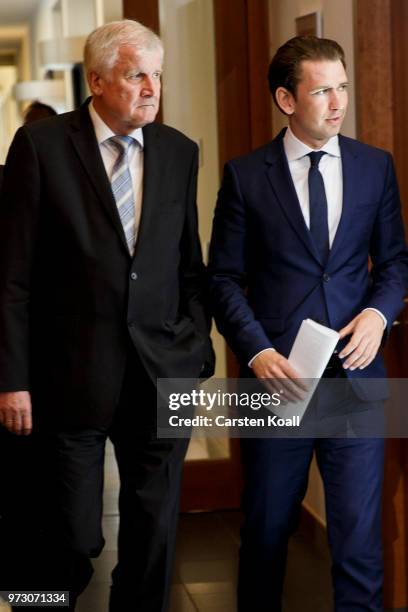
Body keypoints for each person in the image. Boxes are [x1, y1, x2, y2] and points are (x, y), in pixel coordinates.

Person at [0, 19, 214, 612]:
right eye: (135, 75)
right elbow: (11, 277)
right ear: (96, 81)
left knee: (154, 534)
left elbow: (187, 265)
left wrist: (196, 349)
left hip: (160, 372)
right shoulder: (40, 147)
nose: (152, 87)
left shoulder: (179, 152)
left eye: (158, 75)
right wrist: (11, 380)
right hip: (67, 377)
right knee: (66, 536)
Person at [208, 36, 408, 611]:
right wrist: (256, 353)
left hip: (356, 380)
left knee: (359, 543)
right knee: (267, 534)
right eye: (322, 90)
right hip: (277, 384)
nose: (337, 101)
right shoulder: (246, 177)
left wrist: (378, 314)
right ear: (286, 100)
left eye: (342, 87)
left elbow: (394, 261)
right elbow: (221, 278)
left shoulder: (376, 167)